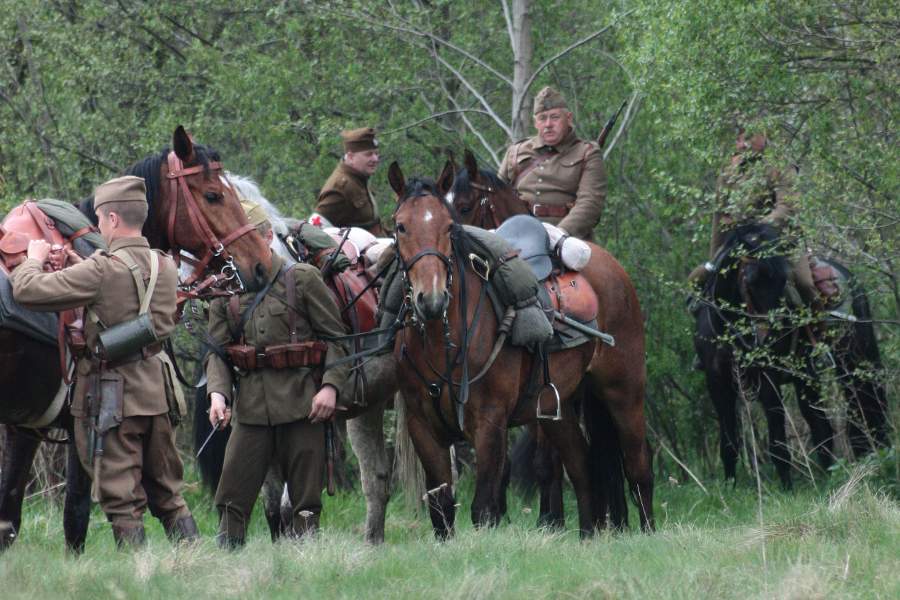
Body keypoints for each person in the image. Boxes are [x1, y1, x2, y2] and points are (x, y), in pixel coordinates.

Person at [12, 175, 197, 548]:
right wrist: (80, 263)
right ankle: (193, 565)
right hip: (156, 395)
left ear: (111, 220)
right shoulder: (165, 266)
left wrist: (32, 261)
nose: (98, 226)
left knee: (121, 499)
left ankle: (139, 578)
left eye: (99, 219)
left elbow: (27, 290)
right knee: (168, 494)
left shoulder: (101, 271)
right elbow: (125, 291)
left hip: (114, 398)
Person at [205, 199, 350, 548]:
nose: (240, 254)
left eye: (249, 242)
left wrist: (330, 387)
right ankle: (227, 567)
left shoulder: (302, 279)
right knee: (231, 497)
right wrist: (218, 394)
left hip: (303, 406)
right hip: (252, 411)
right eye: (233, 247)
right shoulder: (225, 292)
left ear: (268, 236)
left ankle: (306, 566)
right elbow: (218, 353)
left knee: (305, 503)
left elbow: (338, 341)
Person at [688, 128, 819, 308]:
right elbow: (719, 217)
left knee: (805, 284)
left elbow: (786, 208)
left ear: (763, 135)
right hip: (737, 242)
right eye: (738, 139)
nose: (741, 144)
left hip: (780, 241)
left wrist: (757, 227)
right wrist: (714, 257)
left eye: (747, 138)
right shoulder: (728, 172)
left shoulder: (781, 166)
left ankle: (821, 329)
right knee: (699, 281)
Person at [498, 86, 607, 241]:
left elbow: (590, 203)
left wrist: (560, 234)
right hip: (517, 234)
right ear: (536, 123)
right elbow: (495, 196)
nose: (548, 124)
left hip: (567, 239)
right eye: (542, 118)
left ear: (568, 118)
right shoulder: (515, 152)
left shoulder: (587, 153)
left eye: (554, 117)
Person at [313, 127, 384, 235]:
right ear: (350, 157)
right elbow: (315, 231)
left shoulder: (359, 179)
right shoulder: (340, 187)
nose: (375, 159)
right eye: (369, 154)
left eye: (376, 153)